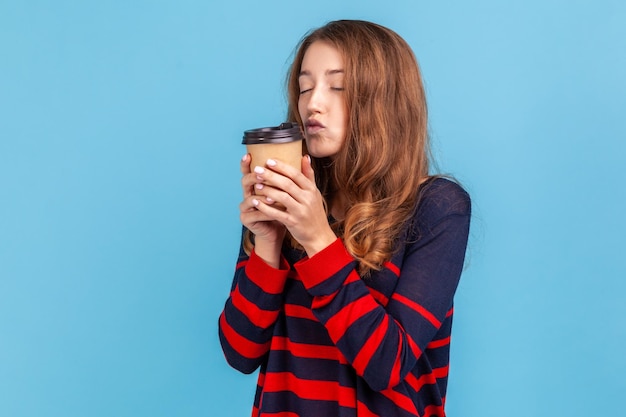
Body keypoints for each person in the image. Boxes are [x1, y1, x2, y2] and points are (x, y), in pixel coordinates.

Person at [218, 19, 471, 417]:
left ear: (385, 99)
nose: (312, 103)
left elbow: (387, 364)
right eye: (304, 87)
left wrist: (318, 238)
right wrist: (267, 241)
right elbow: (241, 352)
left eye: (337, 86)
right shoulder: (291, 200)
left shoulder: (438, 206)